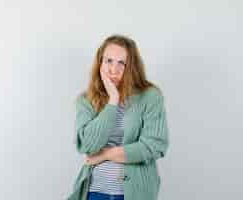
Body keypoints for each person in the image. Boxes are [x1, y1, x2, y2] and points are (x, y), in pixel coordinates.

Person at [67, 34, 170, 200]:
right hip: (94, 192)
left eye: (121, 63)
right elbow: (87, 145)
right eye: (108, 61)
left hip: (134, 193)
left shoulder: (150, 96)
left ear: (131, 67)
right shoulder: (86, 101)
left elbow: (154, 145)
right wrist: (112, 101)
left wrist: (105, 155)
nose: (113, 70)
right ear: (100, 63)